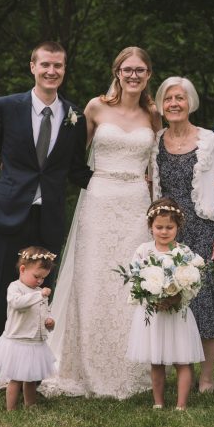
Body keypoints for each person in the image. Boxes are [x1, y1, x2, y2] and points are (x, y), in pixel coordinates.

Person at [0, 41, 92, 402]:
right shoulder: (5, 107)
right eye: (45, 65)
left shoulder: (74, 115)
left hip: (48, 221)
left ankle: (31, 386)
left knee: (40, 302)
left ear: (64, 70)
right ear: (33, 67)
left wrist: (119, 180)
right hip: (6, 216)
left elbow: (76, 170)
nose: (52, 71)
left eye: (58, 66)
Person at [39, 46, 162, 399]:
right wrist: (93, 183)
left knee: (131, 283)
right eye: (127, 69)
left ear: (148, 75)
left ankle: (131, 366)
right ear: (117, 72)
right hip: (99, 201)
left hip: (136, 205)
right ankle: (86, 366)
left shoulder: (153, 115)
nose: (133, 75)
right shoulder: (95, 108)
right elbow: (72, 158)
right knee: (93, 281)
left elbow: (156, 167)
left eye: (140, 70)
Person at [150, 76, 214, 393]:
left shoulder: (210, 140)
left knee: (206, 302)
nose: (174, 103)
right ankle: (177, 371)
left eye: (180, 98)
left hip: (204, 228)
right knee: (170, 300)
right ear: (161, 104)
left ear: (190, 103)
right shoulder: (156, 141)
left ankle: (207, 377)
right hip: (168, 232)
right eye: (168, 98)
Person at [126, 198, 205, 410]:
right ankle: (158, 402)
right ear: (150, 226)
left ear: (178, 227)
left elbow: (193, 283)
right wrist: (151, 297)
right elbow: (135, 280)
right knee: (157, 361)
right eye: (158, 227)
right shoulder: (143, 251)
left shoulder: (184, 253)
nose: (163, 232)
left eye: (169, 227)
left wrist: (176, 297)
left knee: (183, 360)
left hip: (177, 315)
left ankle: (181, 404)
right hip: (154, 316)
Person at [0, 247, 57, 410]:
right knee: (16, 379)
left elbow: (44, 312)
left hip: (35, 343)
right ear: (23, 269)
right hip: (18, 341)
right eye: (36, 276)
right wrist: (40, 295)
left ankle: (30, 405)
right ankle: (11, 409)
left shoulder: (39, 291)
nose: (40, 281)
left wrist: (49, 321)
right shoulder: (15, 287)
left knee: (31, 379)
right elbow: (17, 303)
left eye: (43, 278)